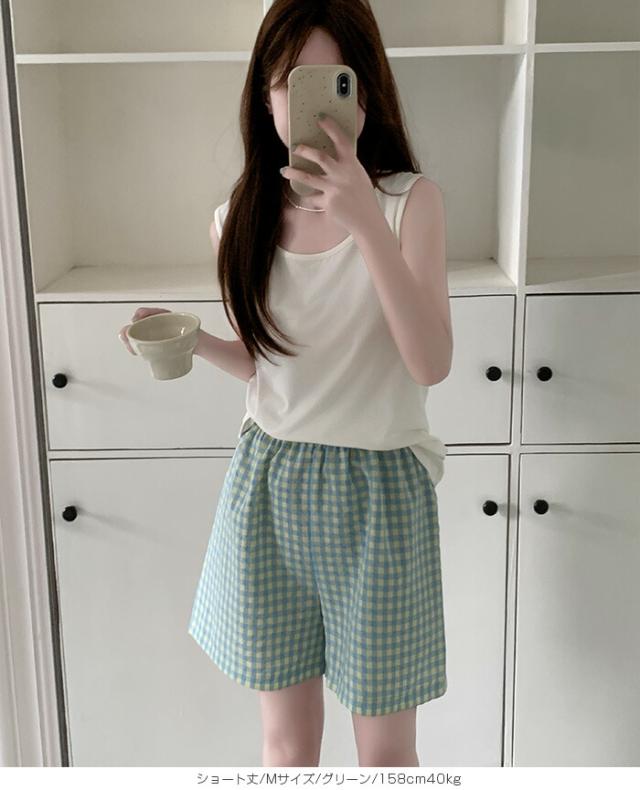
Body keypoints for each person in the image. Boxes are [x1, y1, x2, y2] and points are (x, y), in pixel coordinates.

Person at [119, 0, 452, 769]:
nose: (308, 104)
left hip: (380, 497)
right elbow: (269, 362)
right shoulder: (237, 218)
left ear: (364, 92)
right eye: (289, 82)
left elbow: (430, 362)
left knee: (387, 756)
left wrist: (365, 220)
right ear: (264, 95)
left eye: (333, 82)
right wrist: (194, 340)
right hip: (270, 485)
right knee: (285, 745)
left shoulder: (411, 204)